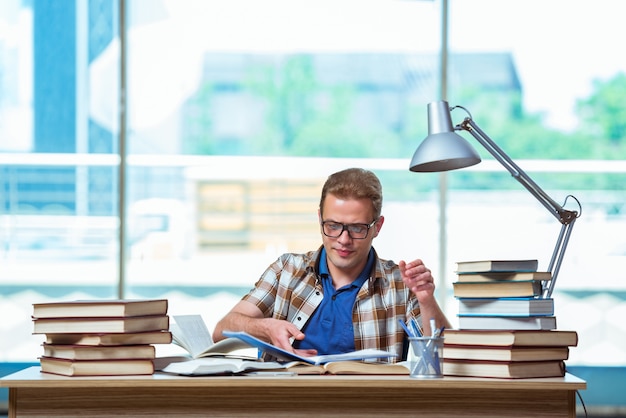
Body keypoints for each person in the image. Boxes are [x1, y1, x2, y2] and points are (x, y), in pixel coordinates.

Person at [213, 167, 451, 362]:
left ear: (377, 227)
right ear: (319, 219)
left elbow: (447, 356)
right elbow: (221, 331)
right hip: (286, 403)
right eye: (333, 226)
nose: (343, 240)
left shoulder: (400, 284)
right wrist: (266, 328)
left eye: (357, 228)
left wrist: (426, 300)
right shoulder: (286, 270)